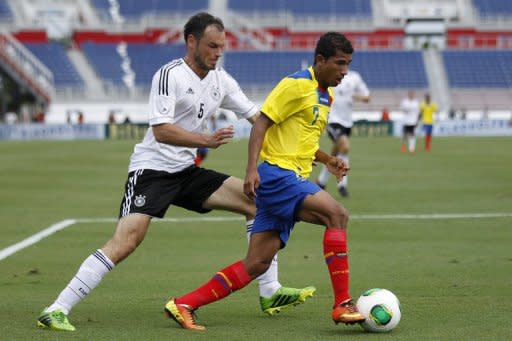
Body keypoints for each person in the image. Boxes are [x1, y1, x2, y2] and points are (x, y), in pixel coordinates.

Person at [37, 12, 314, 332]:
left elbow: (258, 118)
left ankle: (270, 291)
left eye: (222, 46)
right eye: (212, 46)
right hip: (152, 171)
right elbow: (161, 131)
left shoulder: (221, 80)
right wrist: (205, 140)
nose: (218, 52)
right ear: (192, 42)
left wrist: (308, 151)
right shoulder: (170, 75)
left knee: (256, 200)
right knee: (126, 242)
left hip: (185, 171)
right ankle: (57, 308)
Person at [165, 31, 365, 331]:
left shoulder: (327, 96)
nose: (344, 71)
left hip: (290, 178)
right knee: (337, 215)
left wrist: (328, 161)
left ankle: (184, 304)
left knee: (256, 263)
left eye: (348, 64)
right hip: (278, 176)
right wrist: (251, 170)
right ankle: (343, 304)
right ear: (320, 60)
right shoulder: (296, 85)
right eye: (339, 63)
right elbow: (262, 124)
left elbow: (303, 142)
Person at [315, 69, 369, 197]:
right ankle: (342, 185)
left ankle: (321, 181)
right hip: (332, 119)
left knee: (338, 152)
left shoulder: (355, 77)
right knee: (345, 146)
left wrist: (356, 96)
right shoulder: (330, 73)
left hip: (347, 122)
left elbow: (367, 97)